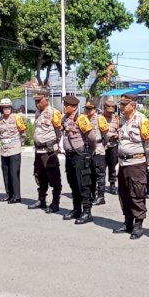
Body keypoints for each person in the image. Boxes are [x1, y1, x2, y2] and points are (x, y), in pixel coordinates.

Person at [113, 94, 149, 240]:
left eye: (125, 105)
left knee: (136, 193)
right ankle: (127, 222)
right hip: (123, 163)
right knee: (123, 193)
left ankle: (138, 224)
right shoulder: (122, 120)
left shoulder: (141, 120)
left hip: (136, 163)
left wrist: (145, 161)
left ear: (133, 105)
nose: (122, 107)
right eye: (121, 104)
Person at [61, 95, 97, 224]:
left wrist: (90, 152)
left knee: (83, 184)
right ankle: (76, 209)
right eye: (64, 105)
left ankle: (87, 212)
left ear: (74, 107)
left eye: (67, 105)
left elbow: (92, 137)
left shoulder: (81, 119)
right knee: (73, 183)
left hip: (80, 156)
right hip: (69, 156)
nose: (64, 107)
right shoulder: (64, 118)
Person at [29, 91, 63, 213]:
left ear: (46, 100)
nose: (37, 103)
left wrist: (56, 145)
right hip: (38, 150)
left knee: (53, 177)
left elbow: (59, 131)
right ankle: (41, 199)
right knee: (39, 175)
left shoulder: (54, 112)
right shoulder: (38, 113)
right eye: (36, 101)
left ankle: (55, 203)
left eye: (39, 101)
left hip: (49, 151)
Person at [0, 97, 27, 204]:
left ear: (11, 107)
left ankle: (16, 196)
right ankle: (9, 194)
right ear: (1, 108)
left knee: (14, 173)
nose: (6, 109)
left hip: (14, 148)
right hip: (4, 149)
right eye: (4, 108)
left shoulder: (16, 118)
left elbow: (23, 131)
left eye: (8, 107)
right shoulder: (0, 120)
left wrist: (20, 143)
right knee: (6, 173)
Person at [85, 99, 109, 206]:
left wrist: (104, 145)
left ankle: (101, 196)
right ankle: (92, 194)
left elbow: (106, 134)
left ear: (95, 109)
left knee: (100, 174)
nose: (88, 111)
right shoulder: (84, 119)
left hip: (98, 148)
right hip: (88, 150)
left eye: (90, 109)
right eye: (86, 108)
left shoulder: (100, 118)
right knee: (90, 173)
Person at [102, 98, 120, 194]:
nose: (110, 113)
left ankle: (112, 185)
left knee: (113, 166)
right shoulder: (100, 118)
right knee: (102, 167)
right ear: (104, 108)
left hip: (114, 145)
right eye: (108, 111)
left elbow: (120, 130)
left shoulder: (116, 118)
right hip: (102, 145)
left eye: (111, 112)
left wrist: (118, 134)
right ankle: (101, 185)